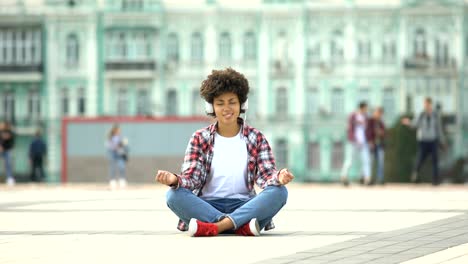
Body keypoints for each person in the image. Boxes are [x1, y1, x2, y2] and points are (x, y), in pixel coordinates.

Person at [155, 68, 294, 237]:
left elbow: (265, 176)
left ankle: (216, 227)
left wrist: (278, 177)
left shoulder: (256, 137)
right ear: (211, 106)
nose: (227, 108)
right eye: (220, 103)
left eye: (232, 102)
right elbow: (192, 178)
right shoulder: (200, 138)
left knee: (279, 192)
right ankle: (239, 226)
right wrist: (174, 180)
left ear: (242, 104)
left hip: (245, 206)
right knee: (173, 196)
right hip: (207, 206)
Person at [402, 97, 446, 185]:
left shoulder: (435, 115)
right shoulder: (421, 114)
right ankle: (415, 175)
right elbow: (415, 124)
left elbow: (439, 129)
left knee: (435, 160)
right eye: (425, 104)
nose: (427, 106)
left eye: (428, 104)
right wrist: (408, 122)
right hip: (423, 141)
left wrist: (442, 141)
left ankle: (435, 179)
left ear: (431, 104)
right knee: (420, 159)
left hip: (433, 140)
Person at [340, 102, 371, 186]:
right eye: (365, 108)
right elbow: (349, 128)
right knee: (349, 160)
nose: (366, 110)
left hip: (363, 142)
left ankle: (367, 179)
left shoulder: (366, 117)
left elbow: (367, 130)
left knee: (366, 160)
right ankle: (344, 176)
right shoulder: (353, 116)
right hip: (354, 141)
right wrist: (353, 138)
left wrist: (368, 140)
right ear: (361, 108)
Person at [367, 107, 386, 185]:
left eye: (380, 113)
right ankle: (368, 178)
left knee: (380, 162)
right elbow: (368, 132)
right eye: (377, 113)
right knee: (370, 162)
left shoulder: (381, 123)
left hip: (380, 144)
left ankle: (380, 179)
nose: (378, 115)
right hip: (372, 144)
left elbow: (385, 133)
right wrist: (370, 141)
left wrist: (382, 133)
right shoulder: (370, 121)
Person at [107, 124, 128, 189]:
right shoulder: (111, 138)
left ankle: (122, 181)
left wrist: (123, 144)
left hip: (120, 154)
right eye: (118, 130)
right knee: (112, 168)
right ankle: (112, 181)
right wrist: (116, 146)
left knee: (122, 167)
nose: (119, 131)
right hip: (113, 154)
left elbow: (123, 146)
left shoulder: (120, 137)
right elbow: (111, 146)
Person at [0, 121, 15, 186]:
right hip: (1, 150)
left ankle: (9, 178)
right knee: (8, 164)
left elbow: (11, 142)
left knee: (8, 164)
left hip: (7, 150)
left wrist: (7, 147)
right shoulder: (1, 132)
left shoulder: (10, 133)